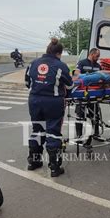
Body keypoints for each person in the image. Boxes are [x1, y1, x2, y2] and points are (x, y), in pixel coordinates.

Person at [25, 38, 73, 177]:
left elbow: (28, 83)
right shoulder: (61, 65)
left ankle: (33, 162)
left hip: (34, 100)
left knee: (37, 130)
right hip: (53, 102)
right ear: (59, 53)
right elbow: (69, 85)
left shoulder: (33, 63)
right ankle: (54, 167)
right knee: (53, 132)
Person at [75, 48, 101, 140]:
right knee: (79, 116)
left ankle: (96, 134)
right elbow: (76, 75)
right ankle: (79, 135)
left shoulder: (98, 66)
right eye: (97, 56)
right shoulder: (81, 63)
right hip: (82, 95)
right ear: (92, 54)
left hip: (93, 94)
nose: (98, 58)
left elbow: (101, 78)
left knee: (95, 115)